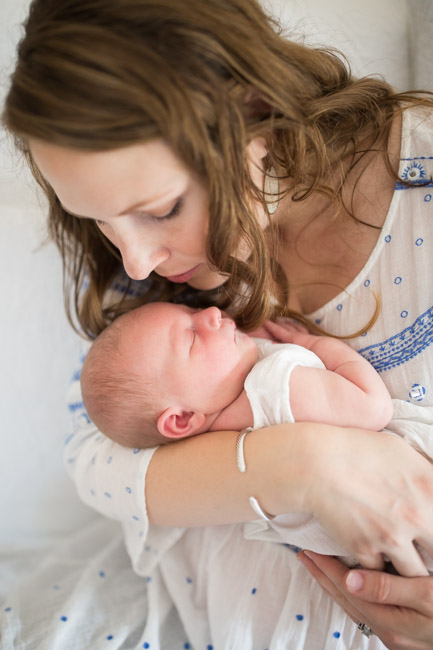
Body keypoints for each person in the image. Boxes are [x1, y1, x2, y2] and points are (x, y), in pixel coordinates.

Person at [3, 0, 433, 647]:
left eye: (162, 208)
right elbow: (103, 462)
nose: (135, 259)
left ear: (254, 108)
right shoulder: (160, 286)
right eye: (97, 218)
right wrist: (304, 463)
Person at [80, 301, 393, 450]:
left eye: (191, 311)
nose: (211, 313)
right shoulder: (279, 389)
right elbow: (376, 407)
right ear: (182, 418)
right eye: (191, 336)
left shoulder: (224, 437)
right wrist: (311, 343)